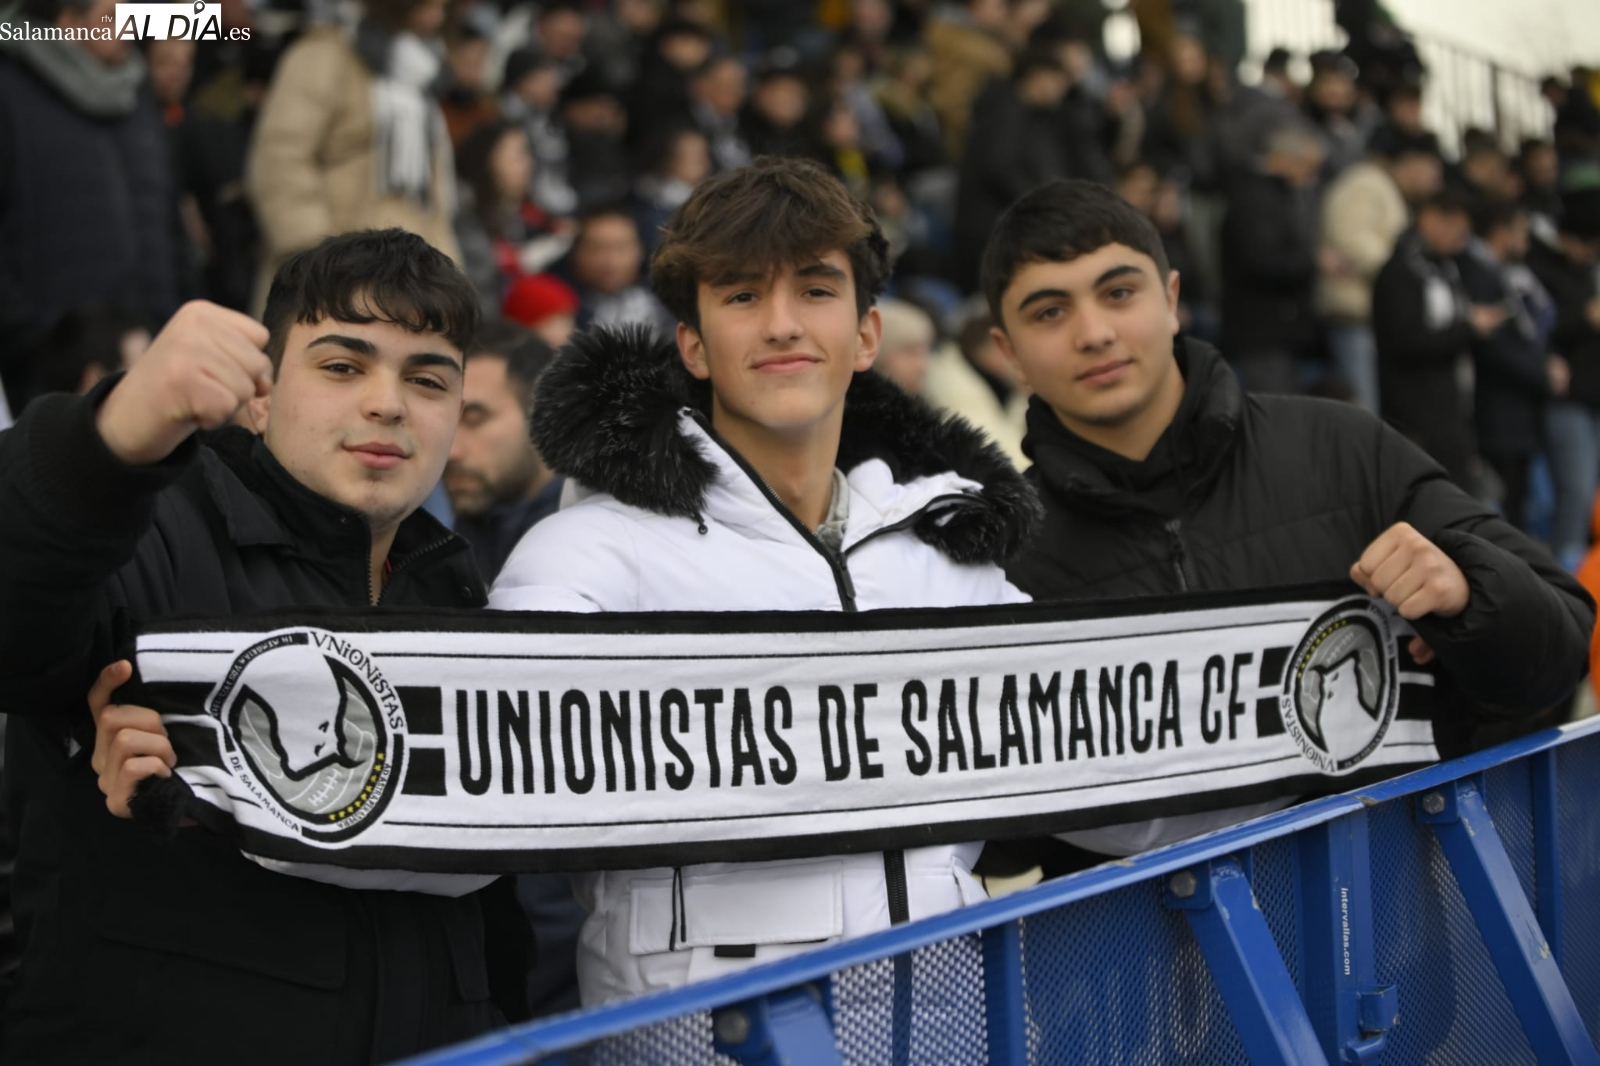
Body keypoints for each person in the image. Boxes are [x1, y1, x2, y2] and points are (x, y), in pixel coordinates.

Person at [489, 157, 1037, 1004]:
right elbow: (498, 789)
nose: (781, 324)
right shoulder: (584, 557)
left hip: (944, 1028)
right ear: (694, 346)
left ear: (866, 335)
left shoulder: (950, 552)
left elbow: (1119, 764)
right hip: (703, 1042)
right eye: (743, 296)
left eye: (815, 291)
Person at [0, 230, 528, 1063]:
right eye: (343, 366)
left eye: (427, 379)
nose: (389, 403)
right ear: (259, 394)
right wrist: (107, 443)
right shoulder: (148, 530)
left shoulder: (471, 599)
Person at [983, 179, 1591, 870]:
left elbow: (1559, 652)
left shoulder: (1342, 448)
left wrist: (1468, 591)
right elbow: (993, 851)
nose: (1094, 333)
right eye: (1050, 311)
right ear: (1007, 351)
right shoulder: (997, 560)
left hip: (1390, 943)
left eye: (1119, 292)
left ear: (1173, 300)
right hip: (1142, 968)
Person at [0, 0, 182, 407]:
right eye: (112, 17)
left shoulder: (135, 93)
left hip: (152, 341)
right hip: (53, 362)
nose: (129, 28)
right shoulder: (10, 93)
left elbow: (167, 215)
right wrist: (26, 333)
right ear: (68, 22)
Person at [247, 0, 461, 315]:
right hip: (331, 276)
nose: (440, 10)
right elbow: (281, 157)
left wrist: (448, 271)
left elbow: (434, 189)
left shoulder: (422, 72)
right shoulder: (323, 56)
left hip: (414, 277)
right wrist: (317, 256)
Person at [1372, 189, 1506, 488]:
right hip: (1416, 411)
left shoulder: (1446, 269)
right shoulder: (1401, 271)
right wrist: (1468, 328)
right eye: (1456, 231)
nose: (1460, 241)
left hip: (1453, 405)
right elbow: (1405, 339)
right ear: (1430, 218)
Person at [1316, 130, 1442, 412]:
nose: (1435, 180)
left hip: (1373, 317)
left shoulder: (1382, 186)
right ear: (1411, 161)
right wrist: (1401, 277)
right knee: (1362, 412)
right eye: (1431, 169)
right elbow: (1352, 239)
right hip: (1353, 314)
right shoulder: (1366, 183)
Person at [1461, 198, 1563, 530]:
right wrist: (1541, 373)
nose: (1527, 239)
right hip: (1498, 410)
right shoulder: (1476, 271)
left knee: (1520, 502)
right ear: (1502, 231)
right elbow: (1494, 348)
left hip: (1519, 408)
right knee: (1505, 510)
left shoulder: (1507, 272)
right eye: (1521, 230)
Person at [445, 320, 562, 583]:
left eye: (475, 419)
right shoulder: (454, 544)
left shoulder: (593, 551)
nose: (450, 451)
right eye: (443, 423)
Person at [1217, 122, 1325, 394]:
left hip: (1276, 329)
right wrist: (1313, 262)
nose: (1309, 177)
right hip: (1262, 331)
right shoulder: (1255, 200)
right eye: (1306, 166)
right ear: (1281, 159)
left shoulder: (1271, 196)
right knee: (1274, 416)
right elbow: (1262, 260)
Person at [1528, 185, 1600, 571]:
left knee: (1591, 494)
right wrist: (1585, 318)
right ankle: (1566, 576)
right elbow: (1537, 330)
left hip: (1593, 395)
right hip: (1567, 399)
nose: (1590, 252)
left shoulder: (1588, 272)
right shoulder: (1540, 270)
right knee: (1575, 490)